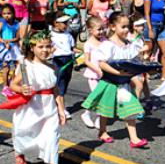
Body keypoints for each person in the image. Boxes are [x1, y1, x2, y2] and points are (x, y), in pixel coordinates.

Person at [82, 12, 148, 148]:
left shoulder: (129, 45)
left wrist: (144, 59)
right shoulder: (108, 45)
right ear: (112, 27)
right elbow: (101, 63)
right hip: (109, 82)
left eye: (127, 27)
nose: (126, 30)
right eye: (123, 27)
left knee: (131, 108)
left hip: (124, 83)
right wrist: (117, 72)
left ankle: (134, 139)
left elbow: (134, 59)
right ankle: (102, 131)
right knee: (105, 110)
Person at [10, 30, 66, 164]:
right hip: (31, 106)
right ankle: (19, 153)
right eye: (40, 47)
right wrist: (21, 88)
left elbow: (56, 90)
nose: (45, 50)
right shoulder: (26, 66)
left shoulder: (52, 67)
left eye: (47, 46)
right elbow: (12, 85)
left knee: (52, 136)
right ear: (32, 48)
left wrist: (61, 110)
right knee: (24, 132)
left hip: (49, 107)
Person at [51, 12, 82, 119]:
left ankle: (58, 107)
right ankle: (61, 109)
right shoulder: (50, 35)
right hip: (58, 61)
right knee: (59, 85)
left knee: (64, 84)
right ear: (55, 23)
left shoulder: (68, 35)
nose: (66, 24)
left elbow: (72, 48)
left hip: (68, 61)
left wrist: (83, 51)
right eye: (63, 22)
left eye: (66, 22)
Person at [81, 16, 104, 129]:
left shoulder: (104, 41)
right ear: (90, 30)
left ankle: (99, 118)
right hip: (93, 74)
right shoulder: (88, 44)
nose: (101, 31)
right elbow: (87, 61)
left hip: (104, 74)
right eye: (99, 29)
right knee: (96, 96)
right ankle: (86, 114)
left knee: (103, 96)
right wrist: (97, 70)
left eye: (102, 29)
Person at [144, 0, 165, 80]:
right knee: (148, 50)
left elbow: (164, 13)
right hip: (152, 25)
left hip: (161, 26)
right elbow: (147, 14)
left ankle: (164, 74)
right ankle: (144, 72)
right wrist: (150, 29)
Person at [0, 4, 22, 97]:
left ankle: (14, 83)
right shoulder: (1, 22)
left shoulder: (17, 24)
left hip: (13, 47)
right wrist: (4, 42)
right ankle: (5, 87)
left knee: (19, 64)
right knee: (6, 67)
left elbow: (17, 37)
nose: (6, 15)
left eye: (9, 13)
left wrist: (10, 41)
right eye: (4, 13)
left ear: (13, 13)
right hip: (3, 47)